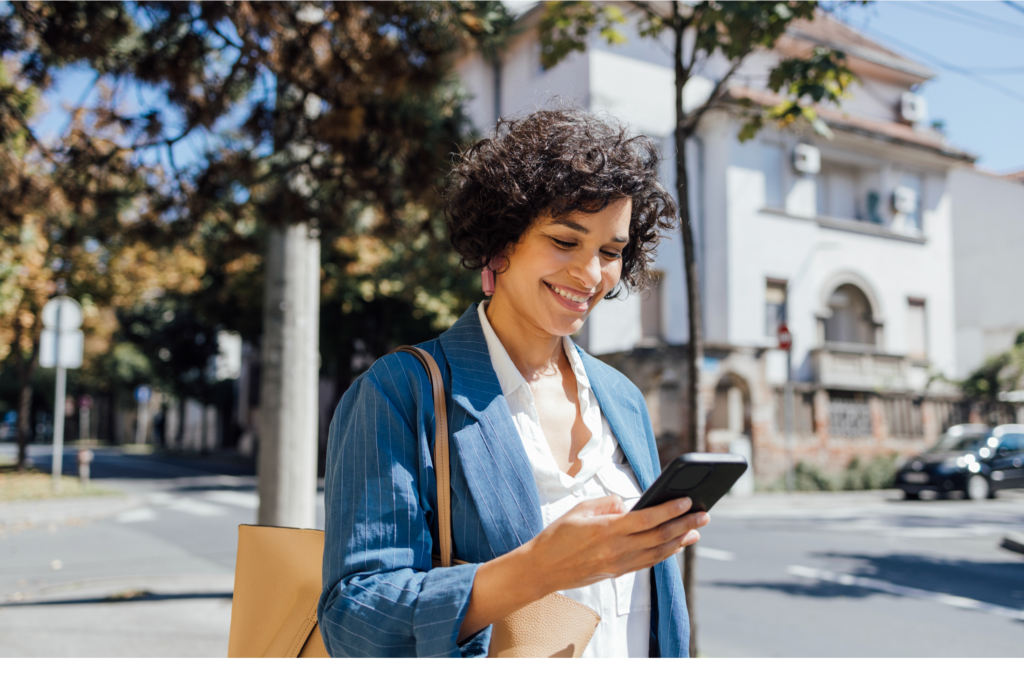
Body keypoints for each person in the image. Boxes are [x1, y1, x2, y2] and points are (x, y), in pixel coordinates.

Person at [318, 110, 710, 658]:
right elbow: (354, 615)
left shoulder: (621, 397)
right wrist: (536, 570)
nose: (591, 274)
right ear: (501, 242)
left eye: (610, 252)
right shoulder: (398, 393)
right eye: (565, 241)